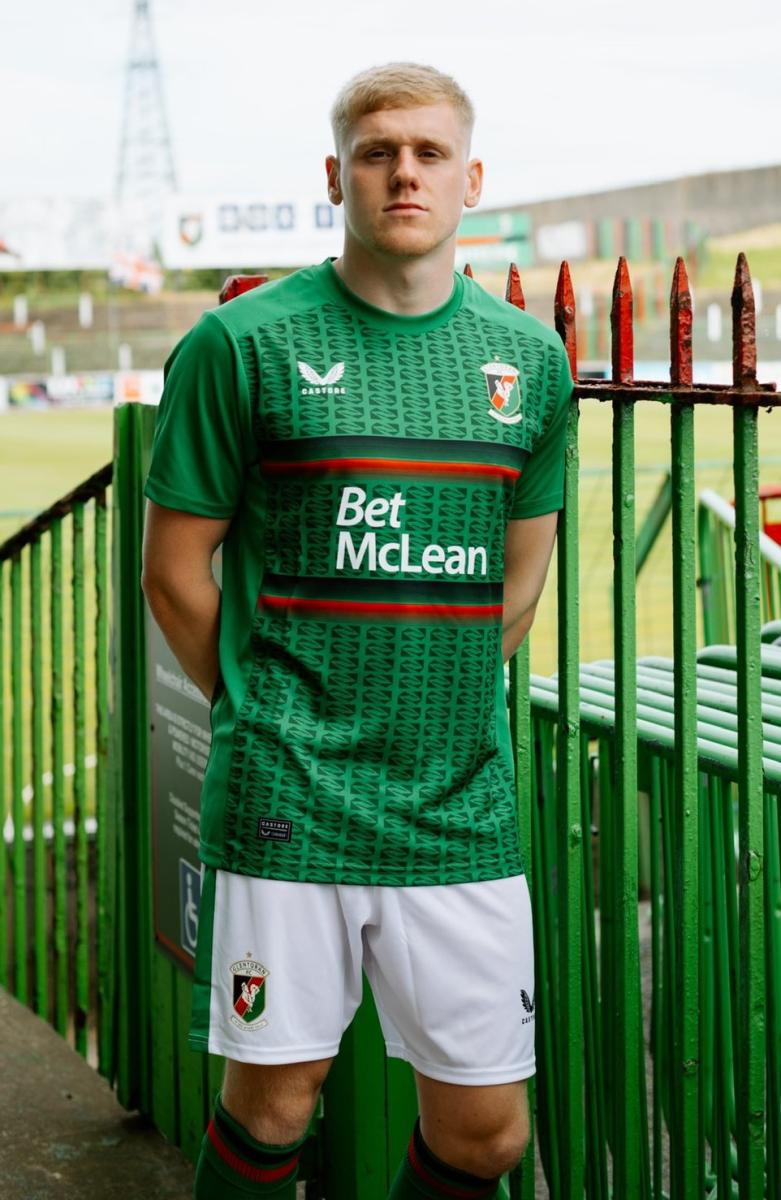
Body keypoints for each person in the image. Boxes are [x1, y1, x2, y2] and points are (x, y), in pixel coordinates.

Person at [141, 61, 573, 1200]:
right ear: (337, 177)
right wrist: (267, 711)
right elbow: (174, 576)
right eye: (378, 153)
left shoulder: (531, 364)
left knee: (487, 1134)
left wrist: (425, 704)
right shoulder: (241, 344)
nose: (404, 173)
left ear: (471, 178)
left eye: (429, 153)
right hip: (289, 798)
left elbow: (516, 587)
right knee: (274, 1106)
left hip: (455, 807)